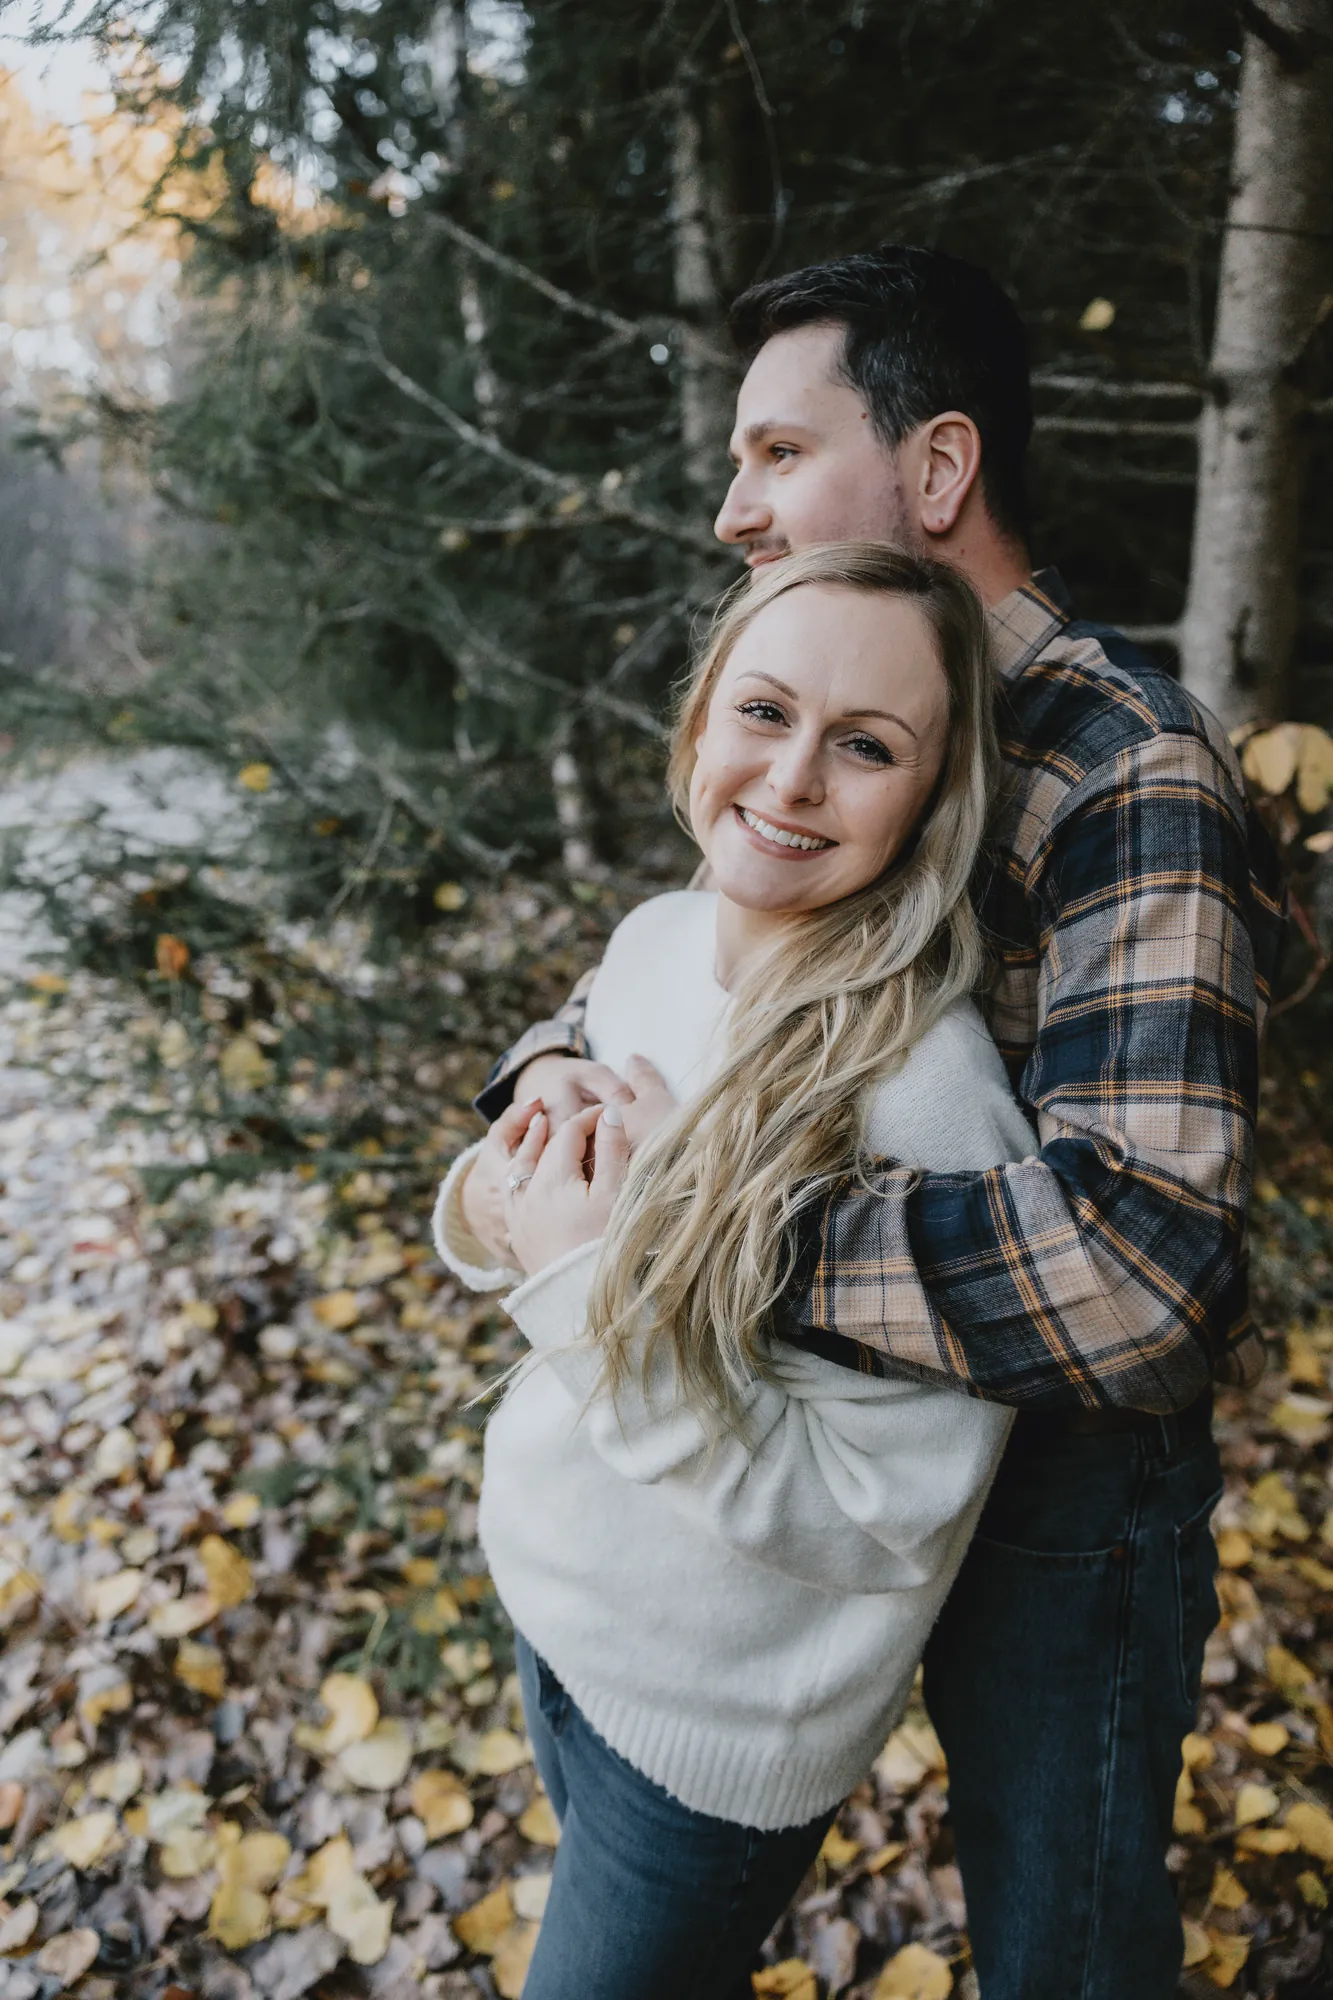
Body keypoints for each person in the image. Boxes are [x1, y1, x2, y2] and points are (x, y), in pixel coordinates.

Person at [460, 247, 1288, 2000]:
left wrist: (689, 1217)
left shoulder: (1125, 768)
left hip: (1061, 1477)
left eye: (776, 452)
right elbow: (704, 958)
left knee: (1060, 1944)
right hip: (792, 1464)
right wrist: (554, 1078)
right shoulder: (839, 687)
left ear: (936, 471)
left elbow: (1144, 1271)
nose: (729, 508)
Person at [435, 542, 1038, 1997]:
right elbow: (518, 1233)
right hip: (558, 1605)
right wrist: (516, 1189)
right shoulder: (652, 941)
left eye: (867, 744)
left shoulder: (928, 1099)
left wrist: (588, 1280)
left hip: (707, 1734)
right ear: (700, 720)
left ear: (937, 795)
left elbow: (874, 1518)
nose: (791, 780)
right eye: (763, 712)